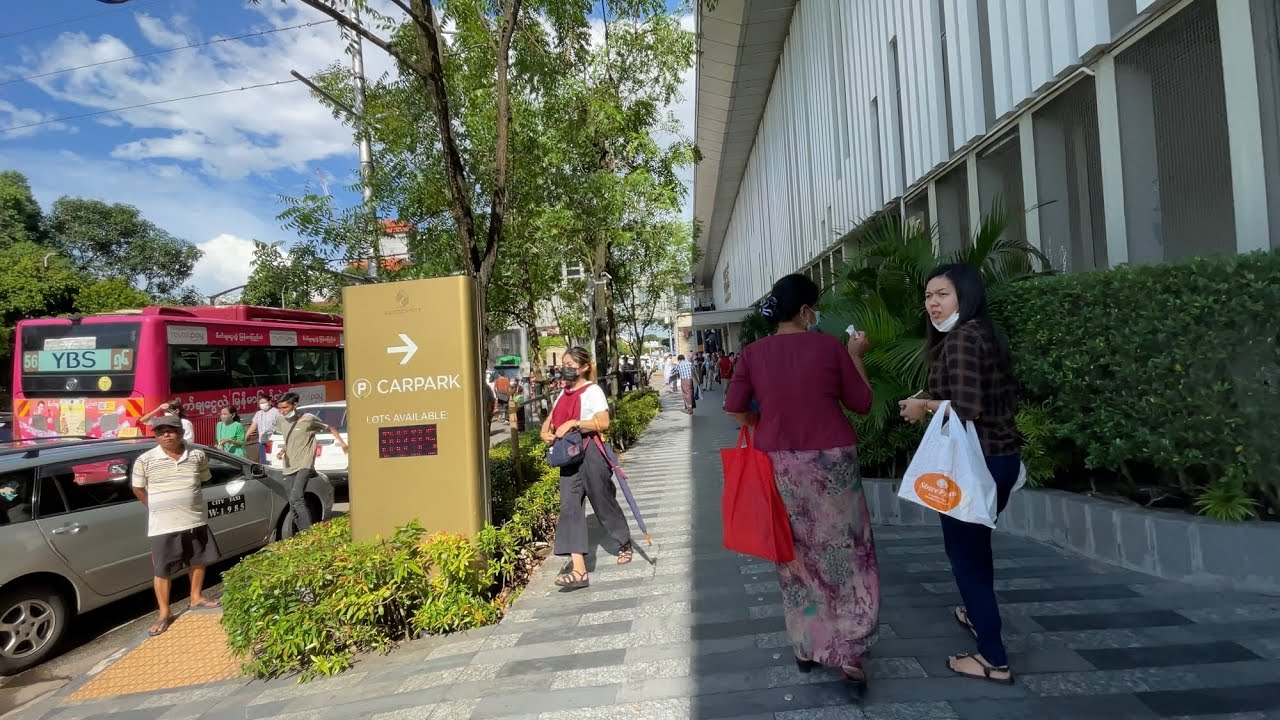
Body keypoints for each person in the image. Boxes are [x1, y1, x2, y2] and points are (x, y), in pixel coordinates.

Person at [724, 273, 877, 690]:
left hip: (779, 462)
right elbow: (862, 403)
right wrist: (856, 354)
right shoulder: (829, 346)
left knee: (793, 554)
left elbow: (736, 409)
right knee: (848, 550)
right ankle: (850, 651)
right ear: (807, 310)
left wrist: (765, 420)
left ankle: (807, 645)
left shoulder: (753, 354)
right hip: (833, 461)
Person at [897, 263, 1020, 685]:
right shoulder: (982, 332)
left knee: (966, 557)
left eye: (942, 295)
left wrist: (923, 407)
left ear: (964, 296)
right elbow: (971, 395)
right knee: (976, 549)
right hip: (1000, 459)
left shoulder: (962, 339)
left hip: (975, 464)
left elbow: (966, 408)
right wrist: (930, 398)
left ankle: (994, 659)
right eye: (929, 296)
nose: (932, 303)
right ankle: (975, 611)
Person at [543, 347, 633, 591]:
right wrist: (546, 432)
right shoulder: (563, 393)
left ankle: (624, 541)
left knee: (602, 502)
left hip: (591, 451)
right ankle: (579, 571)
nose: (565, 367)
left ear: (583, 367)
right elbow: (551, 418)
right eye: (564, 363)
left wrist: (573, 423)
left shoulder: (592, 391)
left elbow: (602, 423)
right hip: (568, 456)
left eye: (571, 364)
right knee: (570, 507)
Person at [131, 415, 221, 636]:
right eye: (160, 432)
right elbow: (138, 489)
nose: (166, 435)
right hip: (163, 525)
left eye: (170, 430)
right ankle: (164, 613)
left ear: (181, 432)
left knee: (198, 560)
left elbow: (203, 479)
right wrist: (156, 508)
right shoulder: (145, 460)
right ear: (155, 436)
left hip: (194, 519)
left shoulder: (197, 455)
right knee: (162, 570)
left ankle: (196, 597)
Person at [275, 392, 348, 532]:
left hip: (305, 464)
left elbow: (330, 428)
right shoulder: (281, 420)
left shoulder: (308, 419)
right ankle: (301, 532)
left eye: (285, 407)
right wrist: (282, 451)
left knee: (297, 497)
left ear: (295, 405)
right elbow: (291, 439)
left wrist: (342, 443)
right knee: (292, 501)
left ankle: (308, 532)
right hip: (289, 465)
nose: (282, 411)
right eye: (280, 408)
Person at [245, 393, 280, 463]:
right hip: (262, 442)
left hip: (273, 441)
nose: (262, 405)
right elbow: (253, 426)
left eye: (264, 402)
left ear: (270, 402)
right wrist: (247, 436)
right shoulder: (258, 413)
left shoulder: (276, 412)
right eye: (260, 403)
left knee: (273, 461)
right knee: (263, 461)